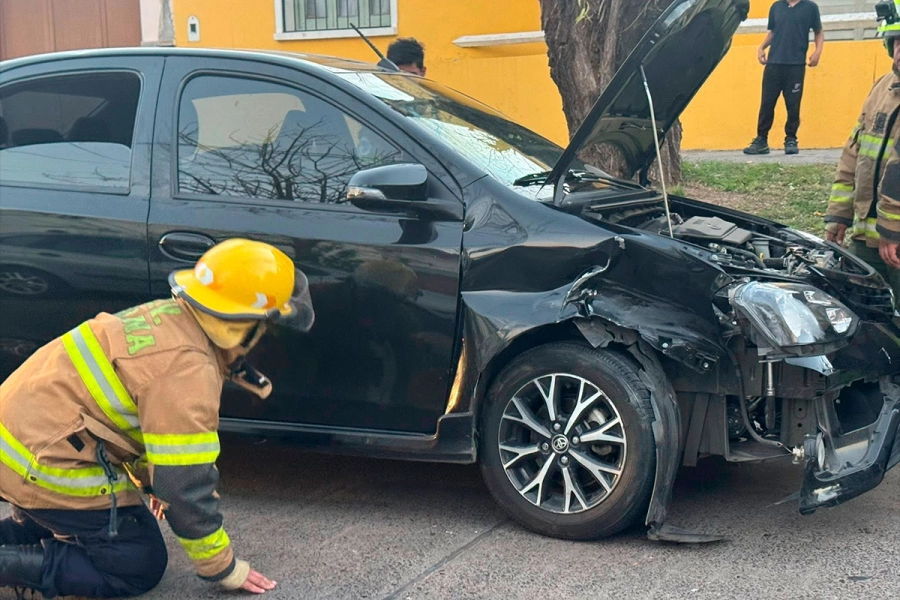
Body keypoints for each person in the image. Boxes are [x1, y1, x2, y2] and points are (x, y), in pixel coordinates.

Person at [0, 238, 315, 598]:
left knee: (87, 525)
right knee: (137, 563)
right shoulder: (188, 370)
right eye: (267, 327)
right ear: (242, 324)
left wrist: (148, 479)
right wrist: (222, 567)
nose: (268, 338)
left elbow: (133, 416)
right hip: (42, 464)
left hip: (20, 443)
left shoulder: (168, 316)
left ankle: (25, 534)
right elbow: (185, 487)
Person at [824, 2, 900, 302]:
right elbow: (854, 155)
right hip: (869, 240)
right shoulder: (882, 87)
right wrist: (839, 216)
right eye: (897, 42)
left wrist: (892, 231)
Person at [744, 0, 824, 156]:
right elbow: (773, 31)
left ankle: (791, 139)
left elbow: (818, 31)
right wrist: (761, 47)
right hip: (774, 64)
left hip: (795, 65)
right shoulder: (776, 7)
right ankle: (761, 140)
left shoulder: (810, 7)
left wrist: (817, 52)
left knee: (793, 104)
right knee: (767, 103)